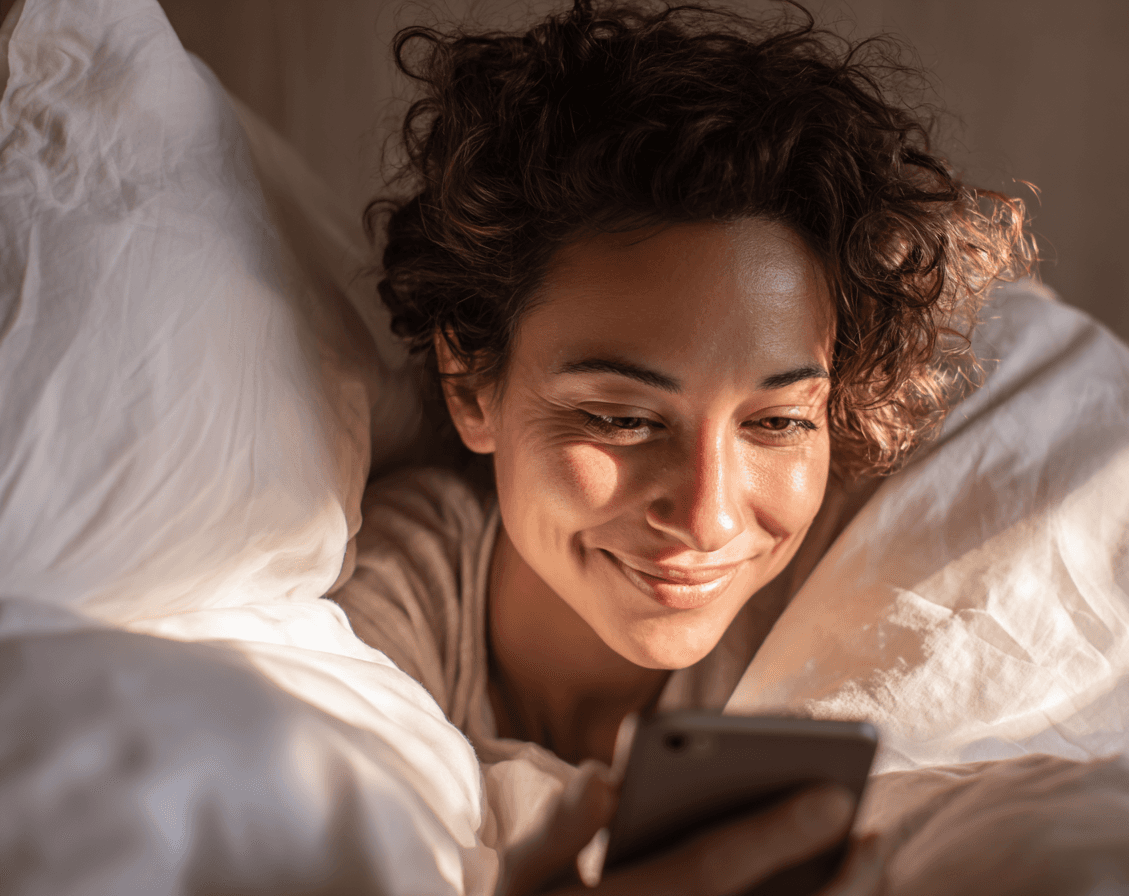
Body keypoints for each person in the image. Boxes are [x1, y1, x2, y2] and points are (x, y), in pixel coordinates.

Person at [332, 0, 1032, 892]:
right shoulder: (383, 604)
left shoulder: (863, 592)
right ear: (472, 387)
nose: (707, 517)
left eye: (776, 422)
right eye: (622, 419)